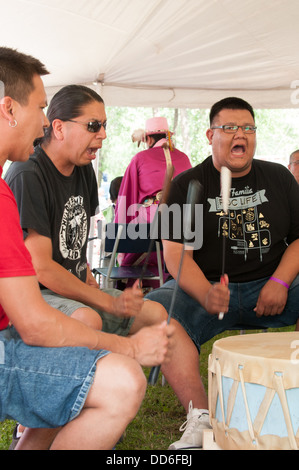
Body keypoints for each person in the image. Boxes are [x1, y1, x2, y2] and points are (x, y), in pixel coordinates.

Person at [0, 46, 174, 451]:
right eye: (41, 108)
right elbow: (36, 323)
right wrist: (127, 346)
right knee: (122, 380)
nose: (45, 121)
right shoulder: (22, 178)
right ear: (8, 109)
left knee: (84, 345)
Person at [146, 97, 299, 450]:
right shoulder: (184, 185)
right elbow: (174, 253)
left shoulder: (278, 176)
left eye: (247, 127)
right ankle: (201, 418)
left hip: (273, 286)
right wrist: (204, 293)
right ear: (210, 135)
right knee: (156, 312)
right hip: (208, 287)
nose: (239, 134)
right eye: (229, 128)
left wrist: (279, 282)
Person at [114, 117, 192, 287]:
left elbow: (126, 197)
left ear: (148, 139)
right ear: (168, 136)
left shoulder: (140, 158)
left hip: (150, 222)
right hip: (182, 222)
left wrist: (119, 240)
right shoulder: (184, 158)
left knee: (130, 256)